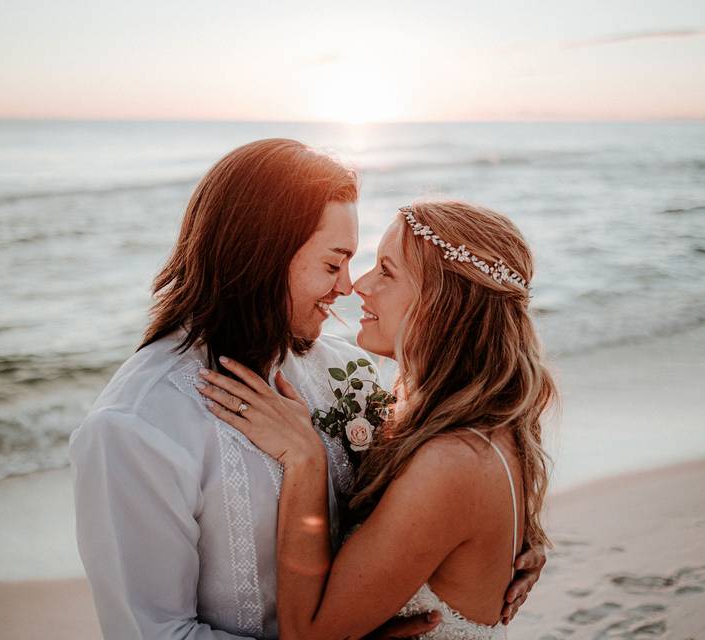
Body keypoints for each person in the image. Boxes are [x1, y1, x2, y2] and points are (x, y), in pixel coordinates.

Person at [69, 141, 545, 639]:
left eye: (365, 265)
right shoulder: (136, 428)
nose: (348, 286)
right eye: (332, 263)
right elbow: (152, 634)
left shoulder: (349, 371)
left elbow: (432, 504)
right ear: (262, 257)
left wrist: (497, 547)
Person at [198, 200, 555, 639]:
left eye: (386, 270)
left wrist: (305, 458)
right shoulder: (476, 423)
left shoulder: (454, 460)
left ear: (444, 302)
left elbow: (308, 636)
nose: (360, 285)